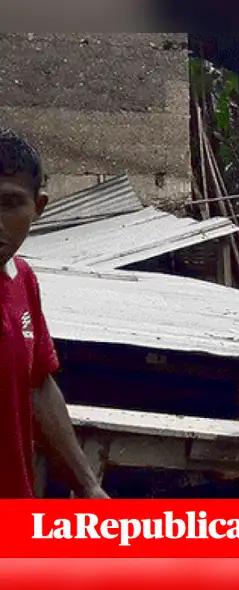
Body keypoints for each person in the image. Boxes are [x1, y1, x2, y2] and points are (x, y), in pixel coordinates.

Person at [0, 127, 108, 499]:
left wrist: (89, 486)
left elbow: (38, 385)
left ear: (38, 207)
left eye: (9, 203)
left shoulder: (22, 280)